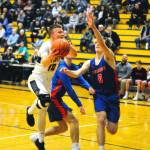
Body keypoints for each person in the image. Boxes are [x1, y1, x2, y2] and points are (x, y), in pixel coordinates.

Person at [61, 12, 120, 150]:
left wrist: (93, 27)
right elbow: (77, 74)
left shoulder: (109, 57)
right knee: (100, 120)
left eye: (99, 43)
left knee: (112, 129)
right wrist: (68, 72)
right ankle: (101, 148)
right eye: (95, 44)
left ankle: (109, 122)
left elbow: (103, 44)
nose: (97, 45)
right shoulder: (89, 62)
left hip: (112, 96)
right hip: (99, 95)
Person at [26, 24, 77, 150]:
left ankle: (40, 141)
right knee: (44, 100)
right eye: (59, 31)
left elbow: (74, 54)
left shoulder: (62, 44)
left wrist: (68, 45)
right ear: (52, 34)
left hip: (48, 83)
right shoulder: (46, 45)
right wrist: (54, 54)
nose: (62, 33)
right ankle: (29, 111)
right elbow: (44, 63)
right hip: (36, 79)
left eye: (63, 31)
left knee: (43, 108)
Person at [43, 55, 94, 150]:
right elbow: (69, 89)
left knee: (63, 127)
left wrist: (89, 87)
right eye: (68, 48)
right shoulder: (62, 67)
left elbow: (81, 79)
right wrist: (79, 104)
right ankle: (75, 147)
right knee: (74, 121)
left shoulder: (73, 66)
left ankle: (38, 137)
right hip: (53, 99)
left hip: (57, 99)